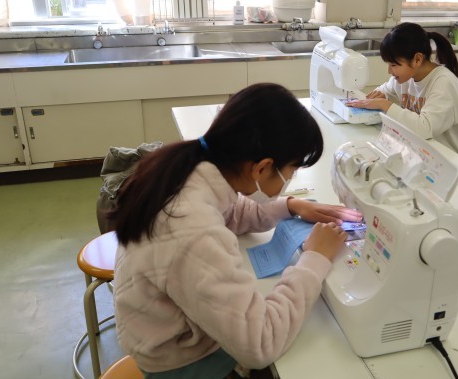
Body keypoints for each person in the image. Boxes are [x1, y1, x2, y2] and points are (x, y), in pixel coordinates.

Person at [108, 82, 363, 379]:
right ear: (262, 168)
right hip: (183, 363)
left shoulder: (191, 166)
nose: (291, 179)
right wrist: (314, 260)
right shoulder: (194, 231)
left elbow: (231, 212)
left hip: (162, 328)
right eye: (292, 171)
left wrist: (290, 206)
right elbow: (260, 344)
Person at [346, 22, 458, 156]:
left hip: (444, 157)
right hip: (418, 150)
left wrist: (385, 104)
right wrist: (376, 98)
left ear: (417, 59)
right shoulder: (406, 77)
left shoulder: (444, 82)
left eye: (393, 65)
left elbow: (425, 128)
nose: (389, 71)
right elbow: (384, 91)